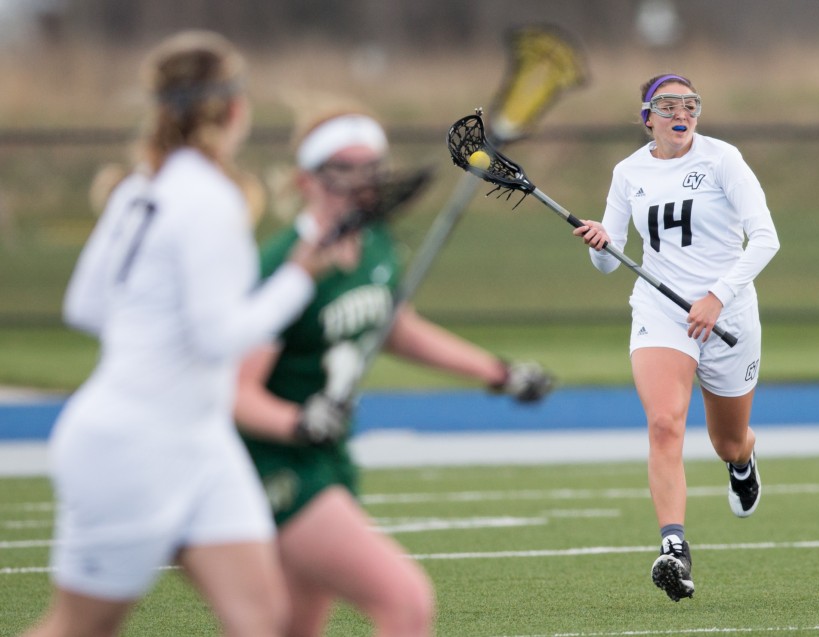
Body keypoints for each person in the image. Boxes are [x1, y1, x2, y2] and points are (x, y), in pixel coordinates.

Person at [22, 31, 347, 637]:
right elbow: (219, 338)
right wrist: (300, 275)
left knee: (264, 620)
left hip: (199, 441)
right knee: (81, 627)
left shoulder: (143, 187)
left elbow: (85, 306)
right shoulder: (207, 197)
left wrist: (151, 328)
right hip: (134, 444)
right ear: (233, 109)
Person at [233, 104, 555, 637]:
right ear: (306, 180)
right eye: (344, 167)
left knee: (295, 626)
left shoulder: (374, 243)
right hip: (273, 462)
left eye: (370, 166)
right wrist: (298, 423)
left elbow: (394, 327)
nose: (362, 180)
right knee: (403, 602)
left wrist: (498, 373)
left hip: (327, 454)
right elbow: (234, 393)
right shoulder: (282, 266)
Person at [572, 73, 780, 602]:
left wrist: (718, 296)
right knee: (665, 423)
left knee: (726, 440)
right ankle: (674, 548)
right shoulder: (628, 172)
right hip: (662, 312)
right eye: (667, 105)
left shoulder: (722, 160)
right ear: (648, 118)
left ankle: (742, 462)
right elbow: (608, 260)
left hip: (727, 313)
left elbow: (765, 238)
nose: (680, 113)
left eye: (690, 104)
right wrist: (599, 242)